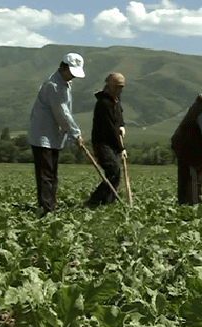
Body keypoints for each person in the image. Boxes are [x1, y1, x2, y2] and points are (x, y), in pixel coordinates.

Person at [27, 52, 87, 216]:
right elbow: (62, 112)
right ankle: (47, 207)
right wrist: (76, 134)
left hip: (53, 136)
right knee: (46, 174)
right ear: (63, 67)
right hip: (43, 136)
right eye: (71, 73)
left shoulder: (64, 83)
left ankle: (51, 203)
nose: (72, 77)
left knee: (52, 172)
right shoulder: (53, 85)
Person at [85, 72, 127, 207]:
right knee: (113, 170)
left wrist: (122, 126)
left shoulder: (116, 100)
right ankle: (94, 202)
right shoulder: (104, 103)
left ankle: (108, 203)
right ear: (109, 86)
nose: (120, 90)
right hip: (102, 143)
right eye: (118, 87)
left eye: (122, 87)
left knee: (116, 173)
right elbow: (110, 128)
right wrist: (121, 149)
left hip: (112, 142)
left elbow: (118, 118)